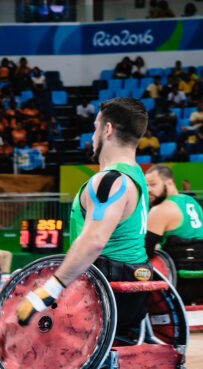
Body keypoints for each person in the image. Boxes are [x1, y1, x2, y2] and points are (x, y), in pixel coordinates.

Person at [15, 97, 151, 332]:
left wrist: (48, 291)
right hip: (130, 293)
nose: (92, 135)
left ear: (108, 129)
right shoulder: (137, 176)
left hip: (101, 296)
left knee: (20, 291)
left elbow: (94, 242)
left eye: (95, 127)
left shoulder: (110, 181)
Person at [144, 164, 203, 256]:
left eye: (153, 184)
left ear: (169, 183)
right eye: (146, 185)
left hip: (178, 265)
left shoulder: (160, 210)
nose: (148, 190)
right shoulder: (194, 204)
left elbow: (143, 253)